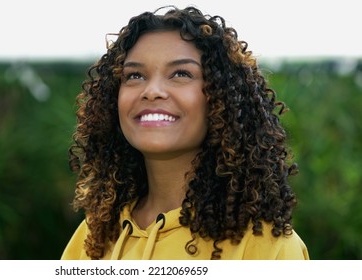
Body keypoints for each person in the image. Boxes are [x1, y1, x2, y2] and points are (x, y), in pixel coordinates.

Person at [61, 5, 309, 260]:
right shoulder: (92, 238)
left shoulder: (268, 248)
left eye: (181, 73)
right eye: (135, 75)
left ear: (221, 98)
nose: (152, 90)